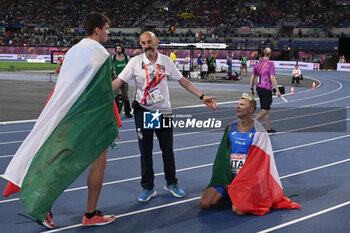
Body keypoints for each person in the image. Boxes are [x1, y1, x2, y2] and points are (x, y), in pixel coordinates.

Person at [3, 12, 120, 228]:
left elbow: (66, 86)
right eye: (106, 28)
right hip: (88, 119)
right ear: (97, 29)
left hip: (63, 114)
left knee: (56, 160)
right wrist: (110, 123)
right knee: (97, 163)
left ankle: (43, 205)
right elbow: (103, 94)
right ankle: (90, 213)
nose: (108, 32)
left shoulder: (73, 50)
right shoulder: (101, 54)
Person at [112, 31, 217, 202]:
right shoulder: (135, 62)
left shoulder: (166, 62)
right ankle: (148, 187)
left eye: (149, 42)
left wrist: (202, 96)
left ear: (157, 42)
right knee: (145, 151)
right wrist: (101, 95)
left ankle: (171, 183)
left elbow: (183, 81)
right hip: (144, 111)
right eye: (144, 43)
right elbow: (118, 82)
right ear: (141, 45)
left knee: (167, 149)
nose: (147, 46)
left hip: (163, 111)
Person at [200, 93, 301, 215]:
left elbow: (260, 163)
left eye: (241, 105)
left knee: (239, 210)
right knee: (205, 203)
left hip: (247, 180)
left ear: (251, 109)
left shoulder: (259, 132)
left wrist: (242, 182)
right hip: (228, 178)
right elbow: (222, 157)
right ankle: (232, 193)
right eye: (237, 104)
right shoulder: (230, 128)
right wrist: (224, 178)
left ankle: (239, 195)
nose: (237, 106)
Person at [250, 48, 281, 133]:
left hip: (259, 88)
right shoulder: (270, 64)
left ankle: (268, 128)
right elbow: (272, 78)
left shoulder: (257, 64)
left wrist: (251, 88)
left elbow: (252, 77)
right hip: (266, 89)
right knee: (265, 110)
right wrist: (277, 90)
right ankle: (251, 124)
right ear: (270, 55)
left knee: (266, 108)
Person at [112, 44, 132, 117]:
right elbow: (111, 69)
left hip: (124, 79)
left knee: (125, 96)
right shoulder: (113, 58)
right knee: (115, 96)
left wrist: (127, 77)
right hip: (116, 79)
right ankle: (115, 112)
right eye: (117, 48)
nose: (118, 50)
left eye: (119, 48)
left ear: (122, 49)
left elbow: (129, 68)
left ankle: (127, 112)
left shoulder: (127, 58)